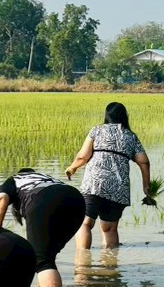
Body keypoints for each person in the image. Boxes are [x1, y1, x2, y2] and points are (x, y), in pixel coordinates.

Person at [64, 101, 152, 250]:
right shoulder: (130, 136)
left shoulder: (97, 130)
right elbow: (143, 161)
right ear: (125, 116)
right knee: (109, 228)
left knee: (85, 223)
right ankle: (110, 262)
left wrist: (72, 168)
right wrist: (146, 186)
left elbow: (83, 157)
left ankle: (83, 260)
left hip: (94, 184)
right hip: (118, 188)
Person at [0, 169, 85, 287]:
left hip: (41, 199)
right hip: (76, 200)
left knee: (41, 259)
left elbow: (1, 198)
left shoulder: (14, 179)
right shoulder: (45, 177)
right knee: (48, 253)